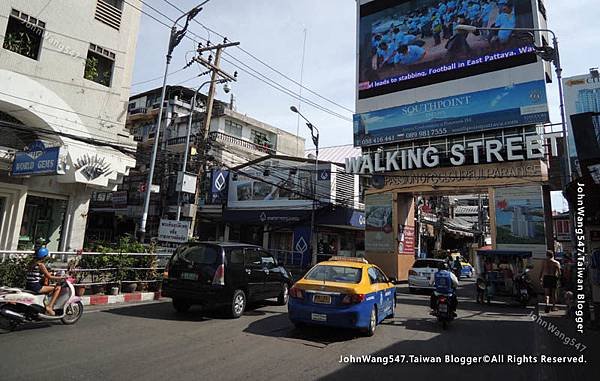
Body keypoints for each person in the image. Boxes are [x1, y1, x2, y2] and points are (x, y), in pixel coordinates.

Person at [26, 247, 66, 316]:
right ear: (44, 256)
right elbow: (49, 277)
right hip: (35, 287)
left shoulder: (31, 263)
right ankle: (49, 307)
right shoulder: (41, 265)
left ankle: (45, 303)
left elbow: (35, 275)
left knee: (48, 287)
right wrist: (62, 277)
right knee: (58, 288)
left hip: (28, 285)